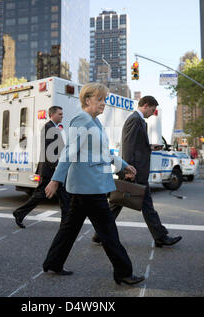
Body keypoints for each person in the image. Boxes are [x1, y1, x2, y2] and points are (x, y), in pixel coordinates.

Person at [43, 83, 145, 285]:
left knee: (70, 228)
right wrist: (56, 180)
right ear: (87, 100)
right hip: (89, 186)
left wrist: (124, 165)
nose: (103, 104)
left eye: (104, 100)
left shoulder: (95, 122)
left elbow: (102, 153)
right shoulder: (82, 120)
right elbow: (69, 151)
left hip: (87, 185)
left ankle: (53, 263)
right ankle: (123, 273)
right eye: (100, 100)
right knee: (108, 231)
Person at [91, 96, 182, 248]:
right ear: (146, 106)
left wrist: (150, 147)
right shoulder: (135, 119)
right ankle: (160, 236)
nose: (153, 114)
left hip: (134, 170)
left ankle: (99, 234)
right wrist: (128, 169)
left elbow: (136, 145)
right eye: (152, 110)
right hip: (133, 171)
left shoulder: (139, 120)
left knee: (118, 202)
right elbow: (128, 146)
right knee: (138, 204)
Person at [13, 106, 70, 228]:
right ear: (52, 114)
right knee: (40, 195)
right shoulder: (48, 128)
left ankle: (65, 223)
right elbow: (48, 151)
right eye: (60, 114)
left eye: (62, 114)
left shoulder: (53, 128)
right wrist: (56, 168)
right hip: (50, 169)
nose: (62, 116)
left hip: (53, 168)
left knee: (64, 196)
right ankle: (19, 213)